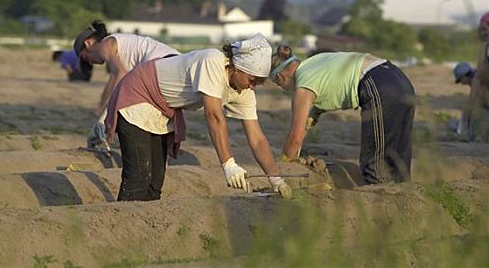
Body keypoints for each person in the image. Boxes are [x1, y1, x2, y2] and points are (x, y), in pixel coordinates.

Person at [104, 33, 292, 201]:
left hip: (162, 109)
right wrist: (229, 164)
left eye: (258, 83)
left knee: (154, 185)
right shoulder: (212, 61)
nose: (253, 86)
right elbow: (214, 116)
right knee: (138, 178)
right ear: (238, 67)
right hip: (138, 95)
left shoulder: (244, 92)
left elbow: (257, 138)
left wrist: (275, 179)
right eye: (252, 80)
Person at [269, 45, 415, 184]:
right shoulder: (313, 63)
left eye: (279, 85)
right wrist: (311, 119)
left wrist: (285, 161)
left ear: (280, 77)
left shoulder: (303, 85)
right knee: (398, 155)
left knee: (374, 165)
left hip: (378, 84)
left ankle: (380, 202)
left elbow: (295, 137)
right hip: (398, 77)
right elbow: (328, 91)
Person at [73, 20, 180, 149]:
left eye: (86, 58)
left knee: (129, 109)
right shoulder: (120, 47)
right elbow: (120, 82)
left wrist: (101, 110)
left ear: (88, 43)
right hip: (175, 63)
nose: (90, 63)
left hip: (161, 66)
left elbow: (119, 74)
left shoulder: (105, 44)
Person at [467, 11, 489, 142]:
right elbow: (478, 77)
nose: (483, 33)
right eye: (481, 30)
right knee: (479, 137)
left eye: (485, 29)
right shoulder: (484, 48)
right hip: (484, 100)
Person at [452, 62, 476, 140]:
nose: (461, 84)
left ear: (465, 75)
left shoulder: (478, 82)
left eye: (460, 79)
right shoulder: (475, 82)